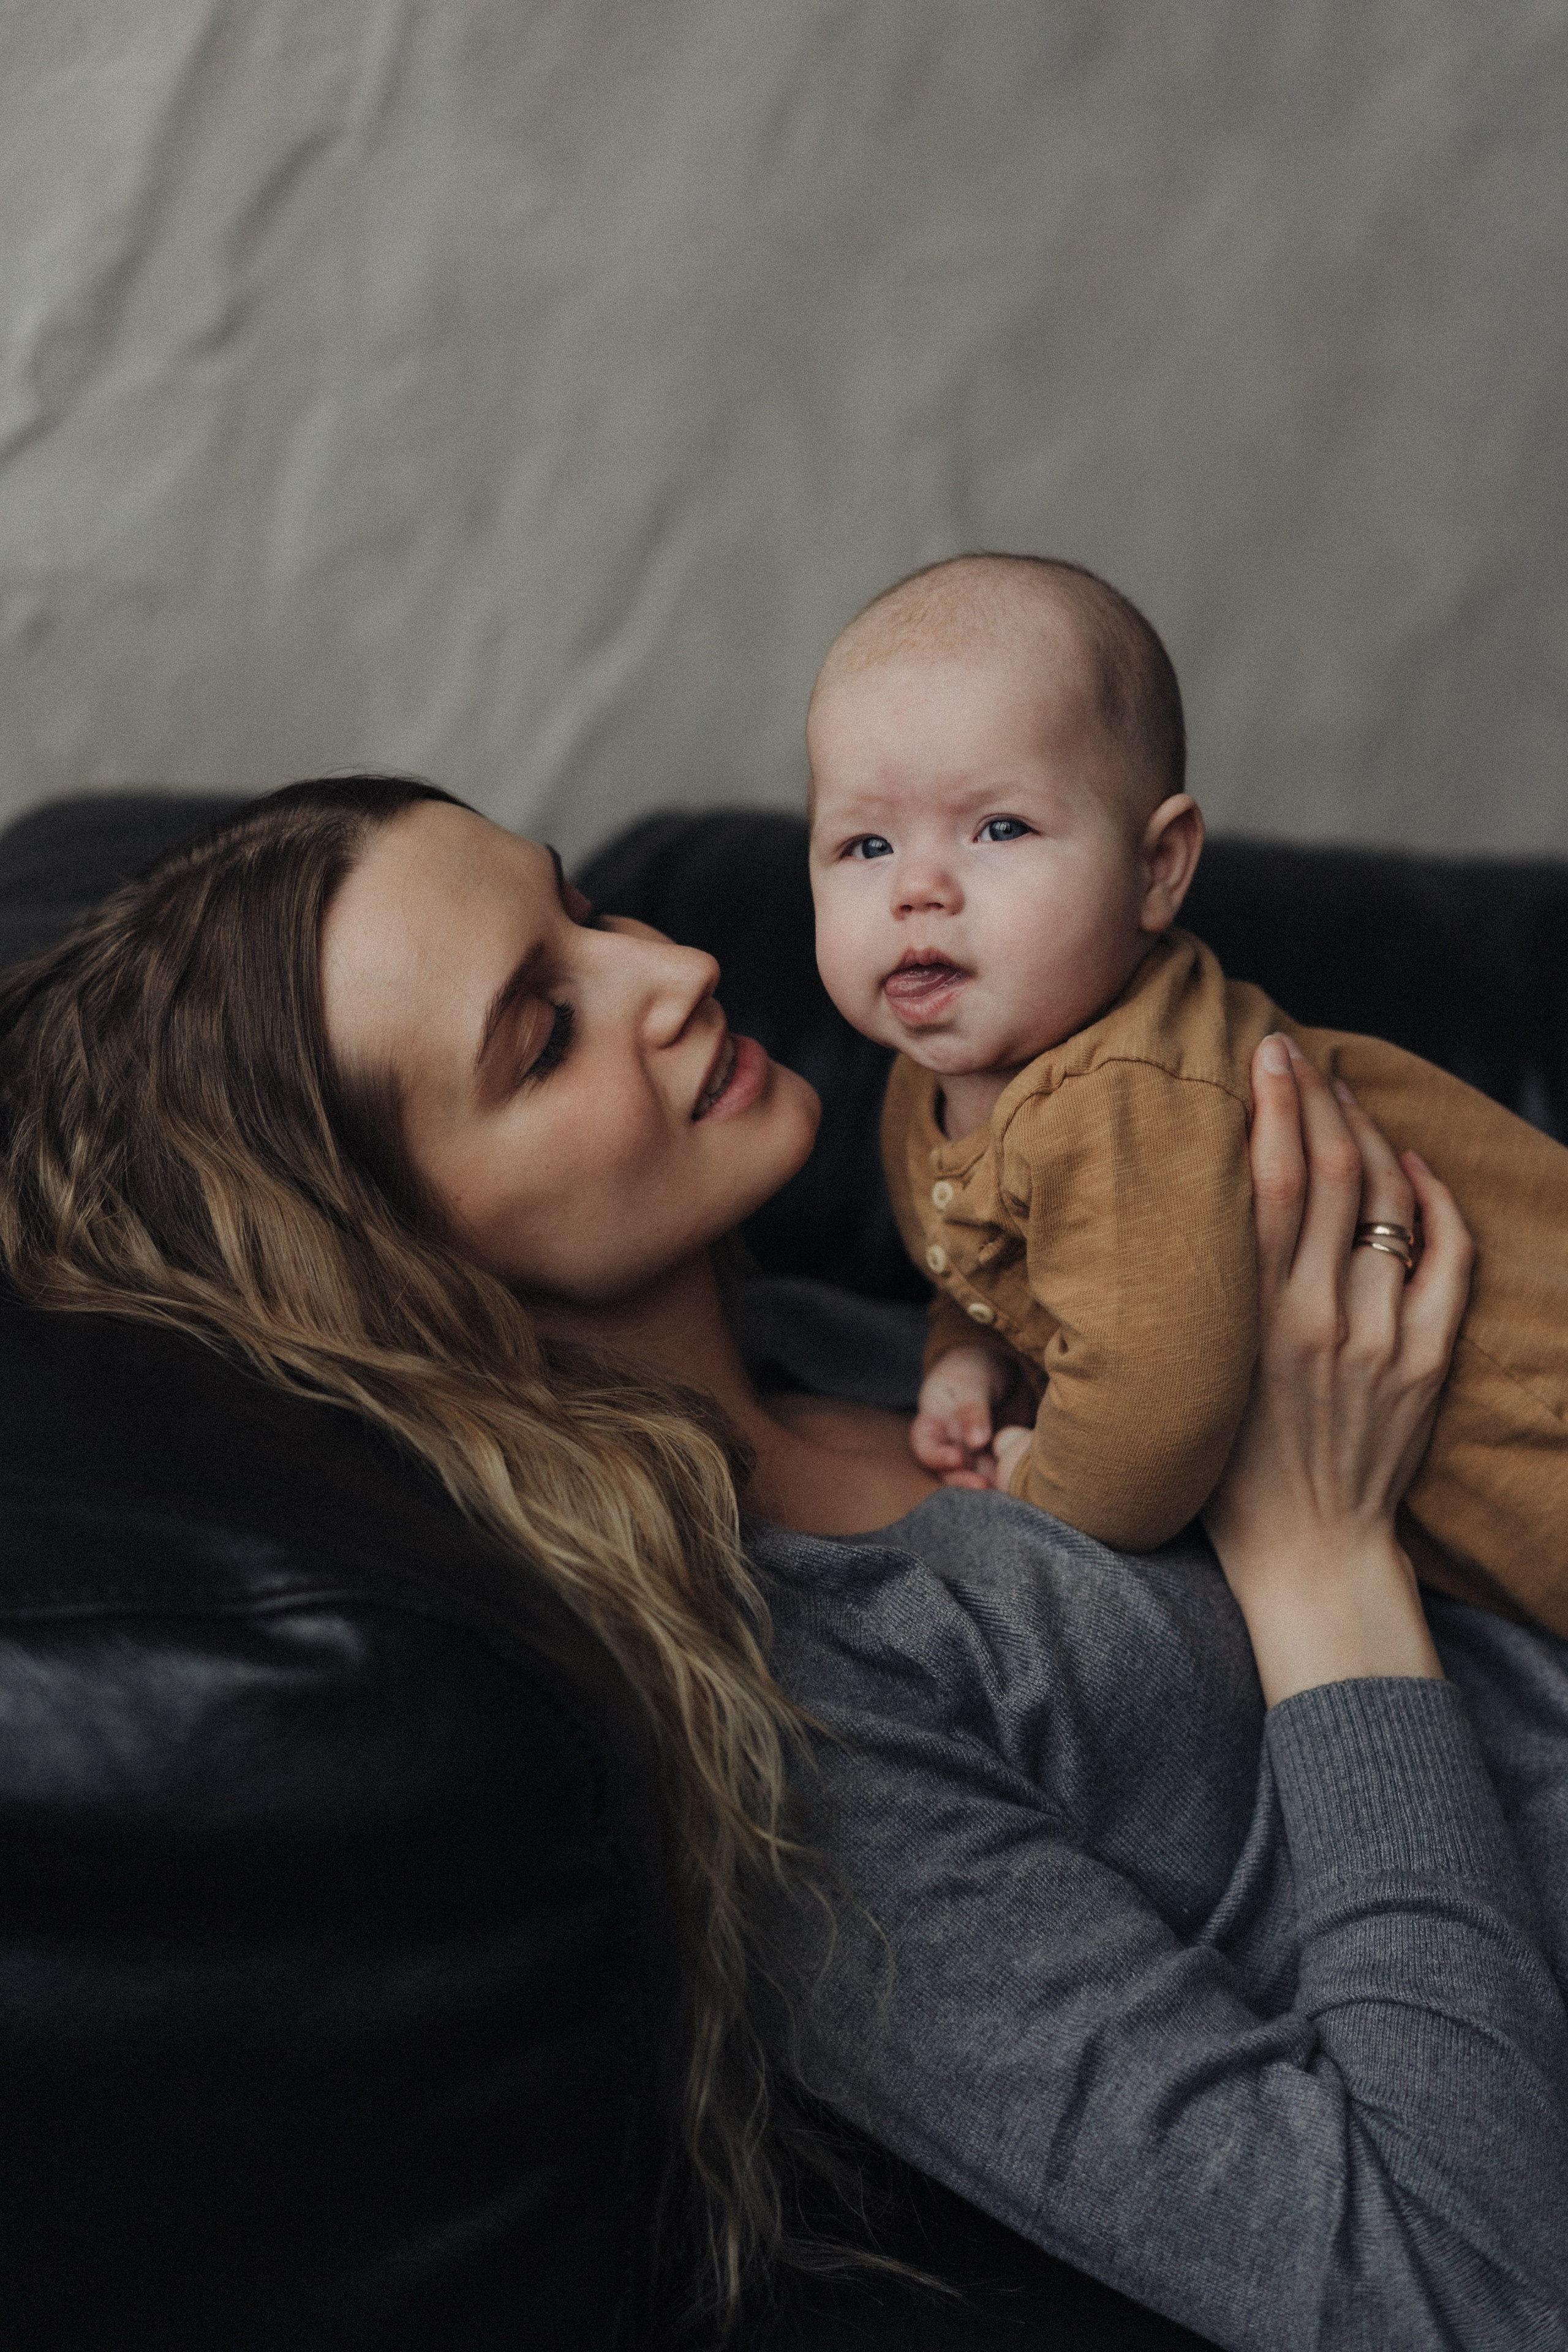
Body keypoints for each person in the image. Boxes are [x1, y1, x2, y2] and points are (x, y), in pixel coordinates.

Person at [1, 775, 1565, 2350]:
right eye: (543, 1033)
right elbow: (1448, 2283)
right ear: (400, 1267)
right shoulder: (794, 1726)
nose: (671, 968)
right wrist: (1317, 1564)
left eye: (587, 912)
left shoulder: (839, 1338)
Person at [807, 552, 1568, 1635]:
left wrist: (1034, 1482)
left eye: (1000, 829)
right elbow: (998, 1271)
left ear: (1158, 868)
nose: (918, 888)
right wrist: (969, 1354)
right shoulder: (927, 1087)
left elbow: (1151, 1427)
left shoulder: (1121, 1094)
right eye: (865, 844)